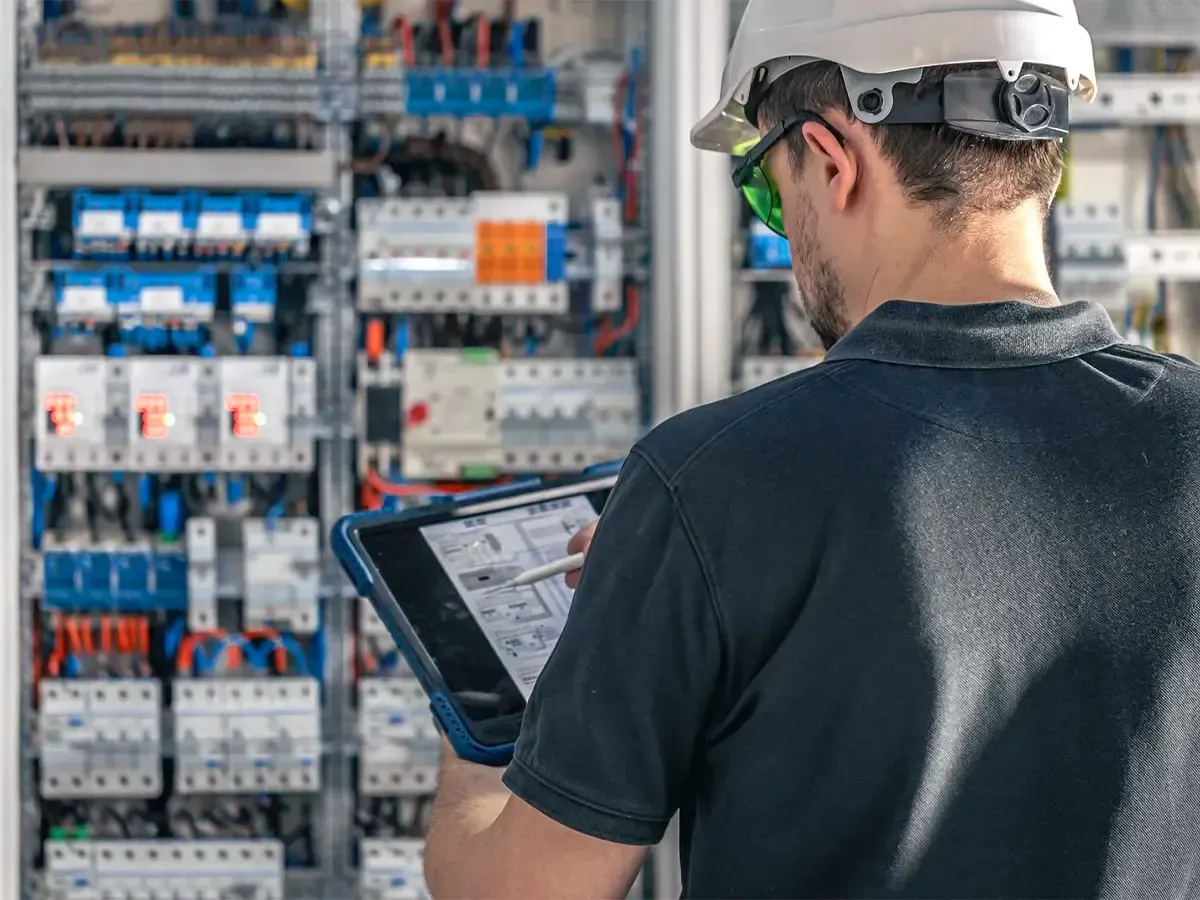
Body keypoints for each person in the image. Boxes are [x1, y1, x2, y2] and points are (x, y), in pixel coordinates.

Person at [423, 2, 1200, 897]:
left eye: (765, 189)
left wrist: (477, 729)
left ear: (832, 160)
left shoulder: (712, 485)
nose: (780, 227)